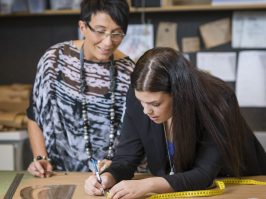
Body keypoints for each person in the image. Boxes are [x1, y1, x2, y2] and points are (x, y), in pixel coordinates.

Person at [84, 47, 266, 198]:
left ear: (179, 95)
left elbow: (204, 175)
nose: (146, 111)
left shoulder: (219, 99)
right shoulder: (140, 95)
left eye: (155, 104)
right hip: (187, 189)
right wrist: (109, 177)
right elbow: (126, 158)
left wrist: (148, 185)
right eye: (141, 102)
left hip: (243, 186)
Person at [27, 0, 135, 177]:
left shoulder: (129, 71)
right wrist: (40, 158)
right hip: (58, 175)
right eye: (100, 31)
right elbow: (35, 114)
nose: (108, 42)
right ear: (83, 26)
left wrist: (117, 169)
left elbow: (135, 133)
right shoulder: (55, 60)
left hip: (110, 178)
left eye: (117, 33)